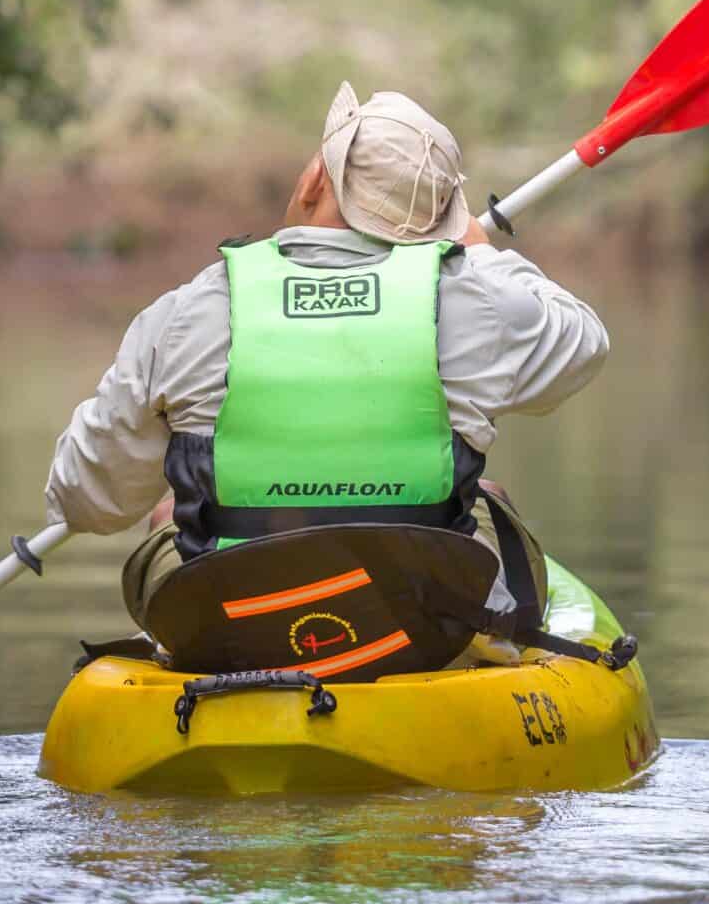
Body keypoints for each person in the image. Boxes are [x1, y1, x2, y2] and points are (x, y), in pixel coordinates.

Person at [42, 82, 611, 634]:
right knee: (489, 500)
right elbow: (585, 344)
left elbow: (85, 499)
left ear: (316, 176)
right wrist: (480, 256)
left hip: (229, 631)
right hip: (420, 631)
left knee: (169, 516)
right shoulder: (473, 302)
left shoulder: (189, 309)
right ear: (438, 228)